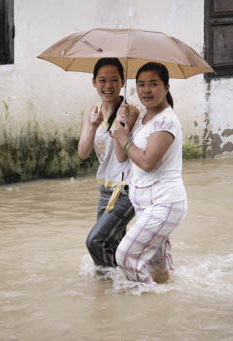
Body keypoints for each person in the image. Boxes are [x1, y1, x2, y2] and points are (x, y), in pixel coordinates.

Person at [109, 62, 188, 284]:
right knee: (158, 268)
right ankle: (165, 304)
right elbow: (122, 157)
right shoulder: (144, 118)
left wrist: (125, 140)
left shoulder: (167, 121)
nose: (146, 90)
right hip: (145, 204)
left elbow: (147, 162)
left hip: (165, 203)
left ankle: (146, 302)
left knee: (125, 256)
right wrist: (124, 125)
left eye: (153, 84)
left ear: (167, 87)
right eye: (141, 84)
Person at [78, 58, 139, 270]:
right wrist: (93, 126)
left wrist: (124, 125)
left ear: (123, 81)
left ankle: (119, 284)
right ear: (94, 82)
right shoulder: (92, 112)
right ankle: (118, 294)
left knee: (95, 242)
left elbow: (122, 158)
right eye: (102, 80)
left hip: (125, 190)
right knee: (113, 246)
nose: (108, 86)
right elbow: (83, 152)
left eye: (114, 79)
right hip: (105, 189)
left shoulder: (131, 112)